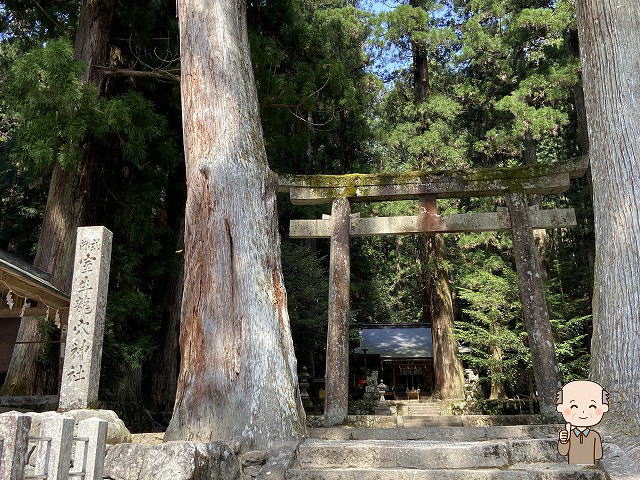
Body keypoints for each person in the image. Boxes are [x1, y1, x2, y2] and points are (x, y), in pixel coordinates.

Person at [556, 380, 609, 464]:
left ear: (603, 408)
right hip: (572, 465)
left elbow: (598, 455)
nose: (583, 412)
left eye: (592, 406)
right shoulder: (570, 435)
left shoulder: (594, 435)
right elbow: (563, 452)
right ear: (561, 407)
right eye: (574, 406)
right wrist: (563, 441)